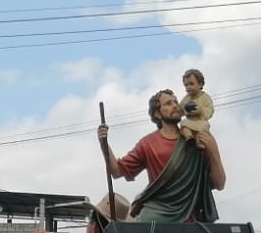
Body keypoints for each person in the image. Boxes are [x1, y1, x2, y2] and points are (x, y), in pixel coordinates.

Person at [97, 89, 227, 223]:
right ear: (157, 113)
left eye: (176, 102)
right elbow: (117, 171)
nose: (175, 106)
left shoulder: (197, 139)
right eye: (168, 103)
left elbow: (219, 183)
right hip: (155, 215)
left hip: (189, 218)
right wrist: (104, 145)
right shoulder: (148, 144)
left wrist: (214, 151)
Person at [178, 68, 214, 136]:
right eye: (186, 85)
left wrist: (201, 111)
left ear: (200, 84)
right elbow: (180, 109)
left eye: (191, 84)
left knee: (204, 126)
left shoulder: (205, 97)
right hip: (190, 122)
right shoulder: (186, 99)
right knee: (184, 123)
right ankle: (189, 138)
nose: (188, 87)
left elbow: (210, 110)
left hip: (200, 121)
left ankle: (199, 142)